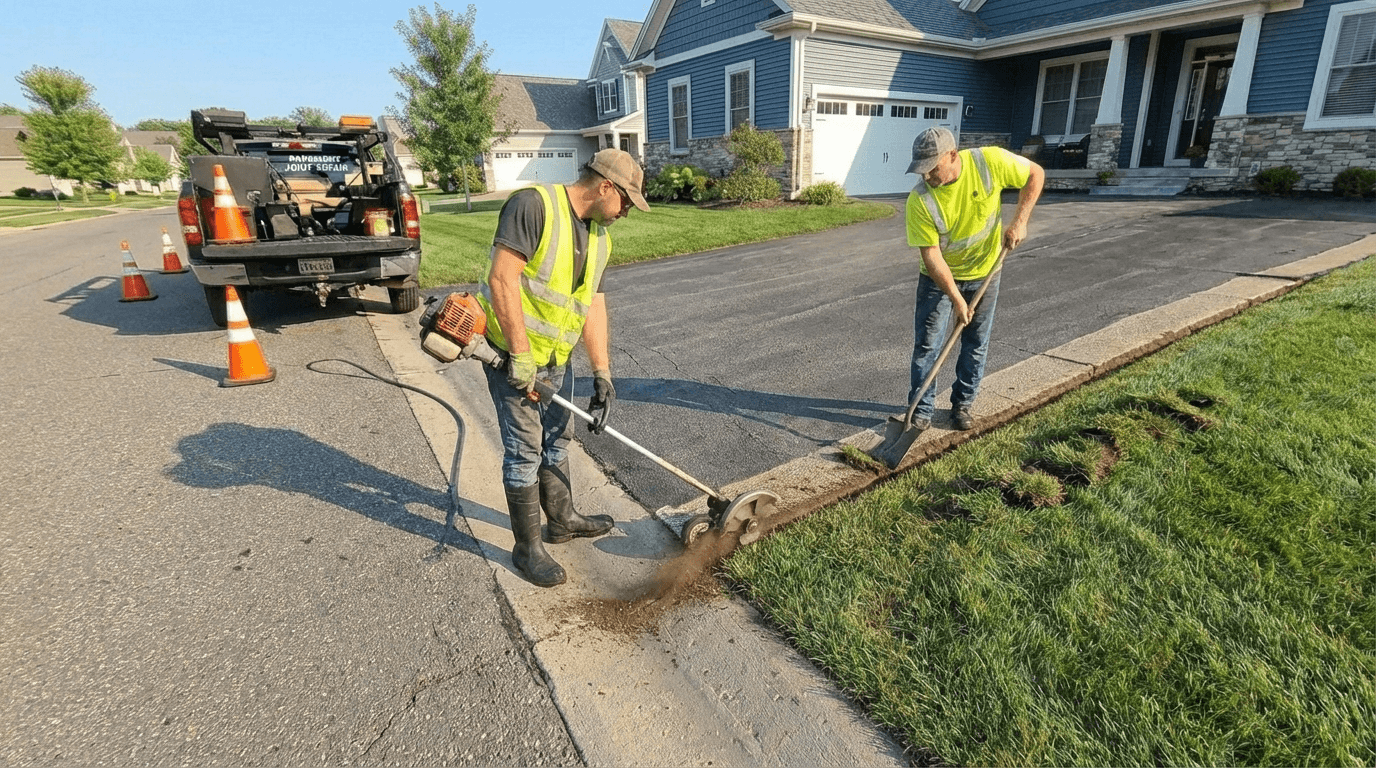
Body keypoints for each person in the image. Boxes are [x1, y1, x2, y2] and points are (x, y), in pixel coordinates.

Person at [477, 148, 650, 587]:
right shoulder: (532, 205)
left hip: (558, 358)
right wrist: (519, 355)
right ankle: (526, 549)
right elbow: (503, 278)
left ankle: (562, 520)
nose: (626, 213)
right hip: (513, 355)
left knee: (559, 439)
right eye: (626, 202)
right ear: (605, 186)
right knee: (525, 451)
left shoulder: (600, 238)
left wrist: (602, 373)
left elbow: (593, 305)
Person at [903, 126, 1044, 432]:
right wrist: (955, 298)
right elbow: (932, 256)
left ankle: (962, 405)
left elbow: (1036, 174)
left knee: (976, 342)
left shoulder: (989, 162)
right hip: (938, 280)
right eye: (921, 171)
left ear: (952, 155)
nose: (926, 177)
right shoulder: (919, 200)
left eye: (932, 169)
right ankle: (921, 411)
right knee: (928, 346)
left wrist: (1020, 222)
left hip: (986, 272)